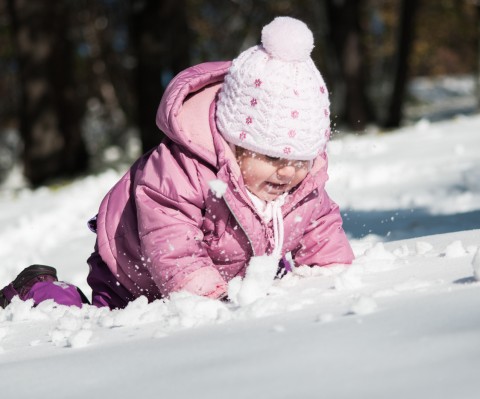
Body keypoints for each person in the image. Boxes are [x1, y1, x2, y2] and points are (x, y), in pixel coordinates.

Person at [0, 16, 354, 310]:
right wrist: (205, 295)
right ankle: (38, 289)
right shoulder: (181, 171)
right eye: (274, 157)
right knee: (86, 319)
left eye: (301, 159)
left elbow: (319, 224)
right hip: (133, 280)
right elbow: (170, 240)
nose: (289, 172)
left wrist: (332, 272)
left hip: (232, 272)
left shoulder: (300, 181)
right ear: (237, 143)